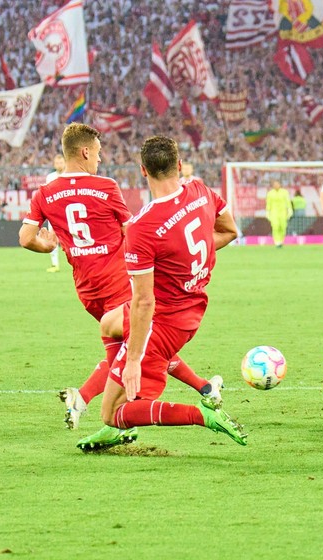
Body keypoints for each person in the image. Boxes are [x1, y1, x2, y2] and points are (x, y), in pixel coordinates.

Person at [19, 123, 222, 432]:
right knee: (144, 341)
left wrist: (45, 244)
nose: (99, 159)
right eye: (98, 153)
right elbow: (132, 232)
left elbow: (25, 237)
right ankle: (85, 399)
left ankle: (205, 388)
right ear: (85, 151)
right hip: (119, 280)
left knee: (139, 343)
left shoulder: (46, 193)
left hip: (87, 289)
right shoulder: (105, 186)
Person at [77, 135, 246, 450]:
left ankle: (202, 415)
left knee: (111, 413)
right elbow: (229, 231)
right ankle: (145, 389)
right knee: (110, 323)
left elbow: (144, 303)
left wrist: (133, 360)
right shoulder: (200, 192)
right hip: (192, 306)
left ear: (143, 171)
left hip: (163, 322)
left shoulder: (143, 226)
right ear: (179, 165)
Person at [44, 154, 65, 272]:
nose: (59, 165)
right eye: (57, 163)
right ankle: (55, 264)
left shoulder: (68, 175)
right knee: (52, 238)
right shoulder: (50, 177)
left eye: (61, 162)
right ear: (54, 164)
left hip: (66, 211)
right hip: (54, 212)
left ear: (65, 163)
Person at [265, 180, 292, 247]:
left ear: (280, 185)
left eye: (277, 184)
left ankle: (281, 240)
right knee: (275, 226)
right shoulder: (270, 193)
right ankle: (277, 241)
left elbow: (288, 201)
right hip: (274, 212)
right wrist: (268, 212)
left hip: (283, 212)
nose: (276, 185)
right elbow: (268, 204)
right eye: (275, 184)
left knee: (283, 227)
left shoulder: (284, 192)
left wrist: (289, 210)